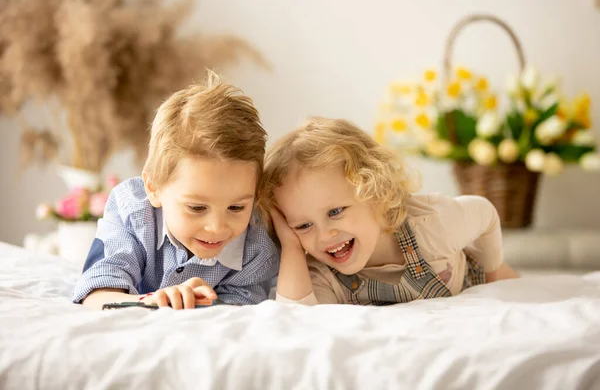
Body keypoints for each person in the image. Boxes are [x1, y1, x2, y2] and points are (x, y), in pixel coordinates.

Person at [73, 72, 279, 310]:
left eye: (236, 207)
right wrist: (152, 300)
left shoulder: (258, 245)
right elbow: (98, 293)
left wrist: (206, 303)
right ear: (154, 188)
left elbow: (240, 313)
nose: (217, 227)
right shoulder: (131, 209)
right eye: (197, 207)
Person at [260, 117, 519, 306]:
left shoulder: (434, 224)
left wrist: (492, 274)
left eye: (336, 211)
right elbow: (296, 322)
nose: (326, 234)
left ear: (374, 191)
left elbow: (485, 213)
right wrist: (291, 246)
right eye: (303, 225)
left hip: (472, 277)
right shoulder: (321, 275)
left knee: (514, 285)